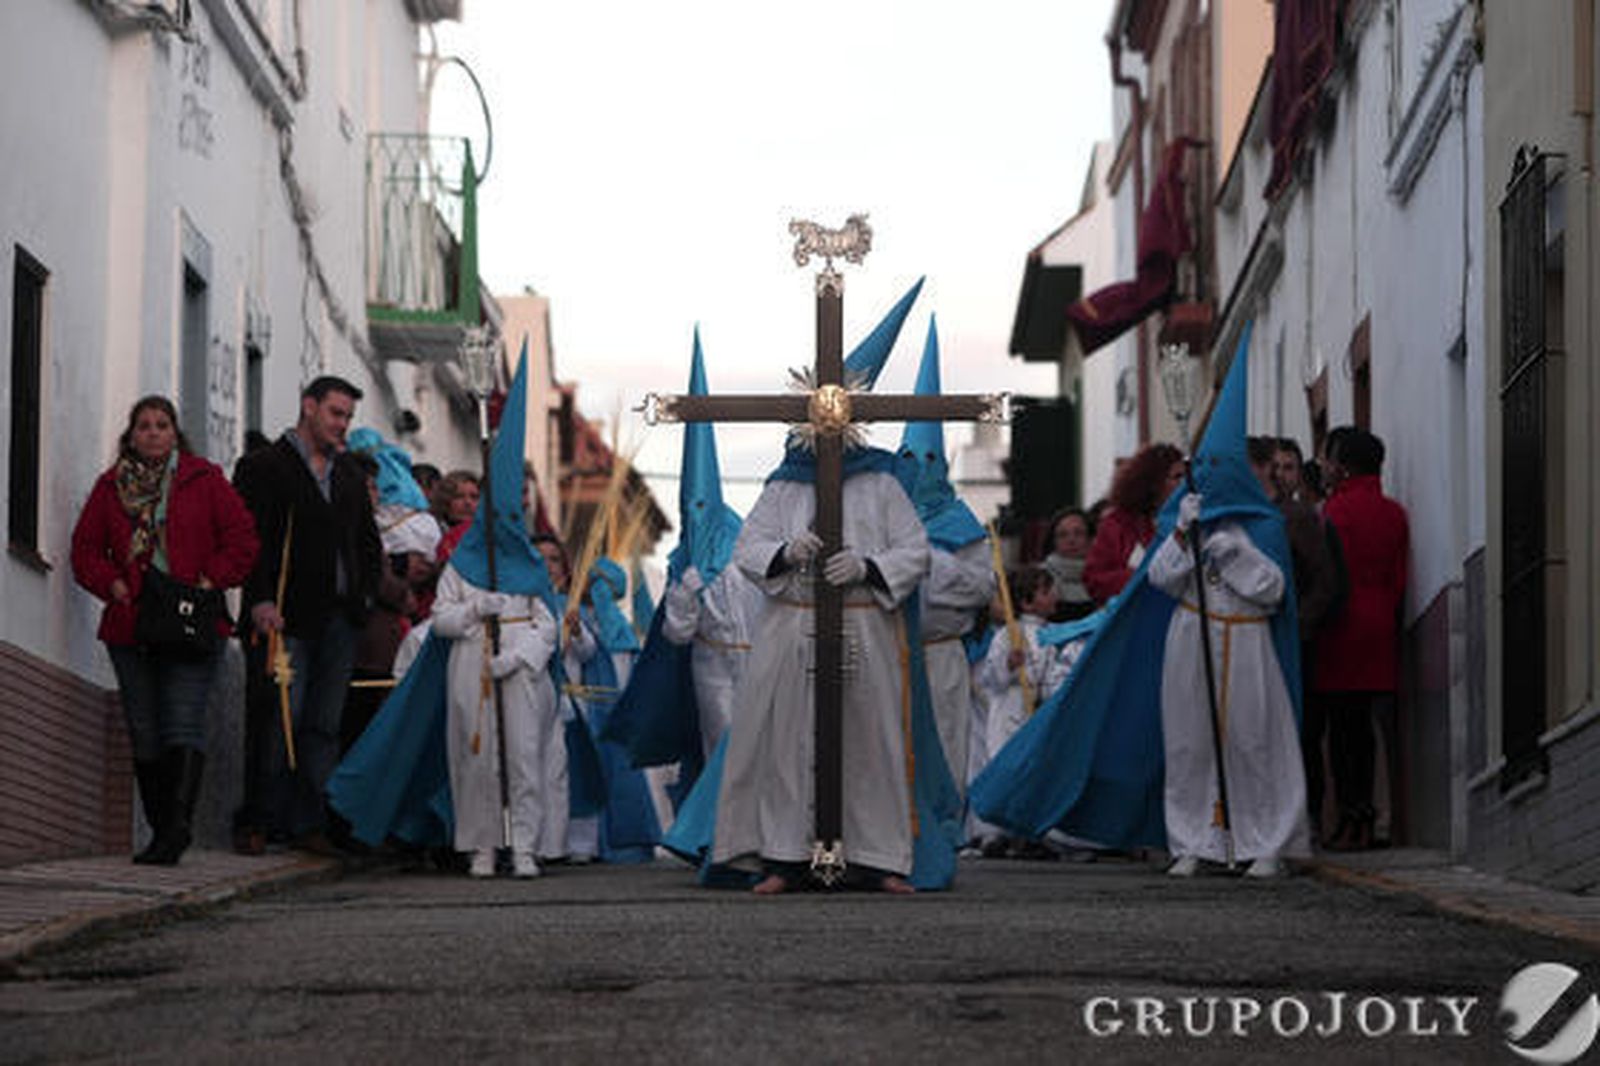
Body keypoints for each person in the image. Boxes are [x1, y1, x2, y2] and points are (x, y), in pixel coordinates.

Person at [712, 445, 931, 895]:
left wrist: (868, 566)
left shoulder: (882, 484)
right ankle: (782, 858)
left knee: (870, 742)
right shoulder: (783, 486)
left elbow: (915, 551)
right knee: (785, 745)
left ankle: (878, 859)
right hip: (793, 623)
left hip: (861, 623)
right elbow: (747, 547)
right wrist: (785, 552)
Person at [71, 396, 259, 865]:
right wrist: (112, 584)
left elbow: (243, 540)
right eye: (144, 426)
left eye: (162, 425)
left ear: (175, 433)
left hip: (192, 618)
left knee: (183, 720)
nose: (153, 433)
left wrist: (209, 579)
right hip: (132, 622)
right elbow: (85, 549)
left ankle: (174, 831)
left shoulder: (204, 479)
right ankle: (162, 829)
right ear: (131, 436)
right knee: (144, 729)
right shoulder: (112, 486)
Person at [232, 375, 384, 855]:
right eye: (336, 413)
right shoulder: (264, 467)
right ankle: (258, 819)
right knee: (278, 719)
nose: (343, 425)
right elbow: (248, 542)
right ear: (309, 407)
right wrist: (258, 601)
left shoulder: (349, 477)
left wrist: (362, 598)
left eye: (348, 417)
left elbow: (367, 545)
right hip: (285, 616)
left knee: (322, 726)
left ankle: (309, 823)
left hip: (340, 621)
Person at [1148, 488, 1312, 878]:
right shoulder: (1186, 521)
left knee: (1254, 741)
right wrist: (1183, 534)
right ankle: (1194, 840)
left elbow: (1273, 589)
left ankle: (1265, 842)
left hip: (1246, 639)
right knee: (1189, 743)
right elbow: (1161, 578)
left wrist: (1237, 556)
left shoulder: (1264, 525)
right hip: (1193, 636)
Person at [431, 532, 562, 878]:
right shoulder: (458, 568)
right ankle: (482, 845)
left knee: (523, 754)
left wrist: (519, 656)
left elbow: (548, 625)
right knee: (477, 757)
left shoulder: (528, 566)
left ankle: (524, 846)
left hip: (519, 669)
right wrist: (474, 608)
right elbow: (440, 620)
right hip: (472, 662)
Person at [1312, 428, 1409, 850]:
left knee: (1340, 729)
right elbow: (1400, 578)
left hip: (1341, 631)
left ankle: (1350, 816)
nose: (1324, 467)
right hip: (1381, 626)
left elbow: (1325, 577)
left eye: (1329, 460)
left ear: (1343, 466)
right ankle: (1367, 817)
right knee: (1367, 728)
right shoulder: (1394, 514)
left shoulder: (1333, 512)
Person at [973, 567, 1074, 857]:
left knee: (1033, 771)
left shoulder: (1052, 636)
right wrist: (1008, 665)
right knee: (1006, 767)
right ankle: (995, 833)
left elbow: (1055, 676)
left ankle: (1028, 834)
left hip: (1036, 714)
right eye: (1046, 591)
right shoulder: (1008, 634)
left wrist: (1049, 694)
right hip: (1010, 710)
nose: (1054, 595)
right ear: (1027, 602)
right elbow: (990, 679)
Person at [1083, 443, 1185, 604]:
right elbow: (1095, 579)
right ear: (1153, 483)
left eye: (1187, 476)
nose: (1185, 484)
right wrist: (1143, 577)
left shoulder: (1192, 521)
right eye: (1178, 477)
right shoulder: (1118, 523)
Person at [1041, 506, 1096, 621]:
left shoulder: (1105, 575)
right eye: (1062, 535)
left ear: (1091, 538)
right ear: (1053, 541)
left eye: (1079, 533)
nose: (1071, 540)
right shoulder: (1040, 578)